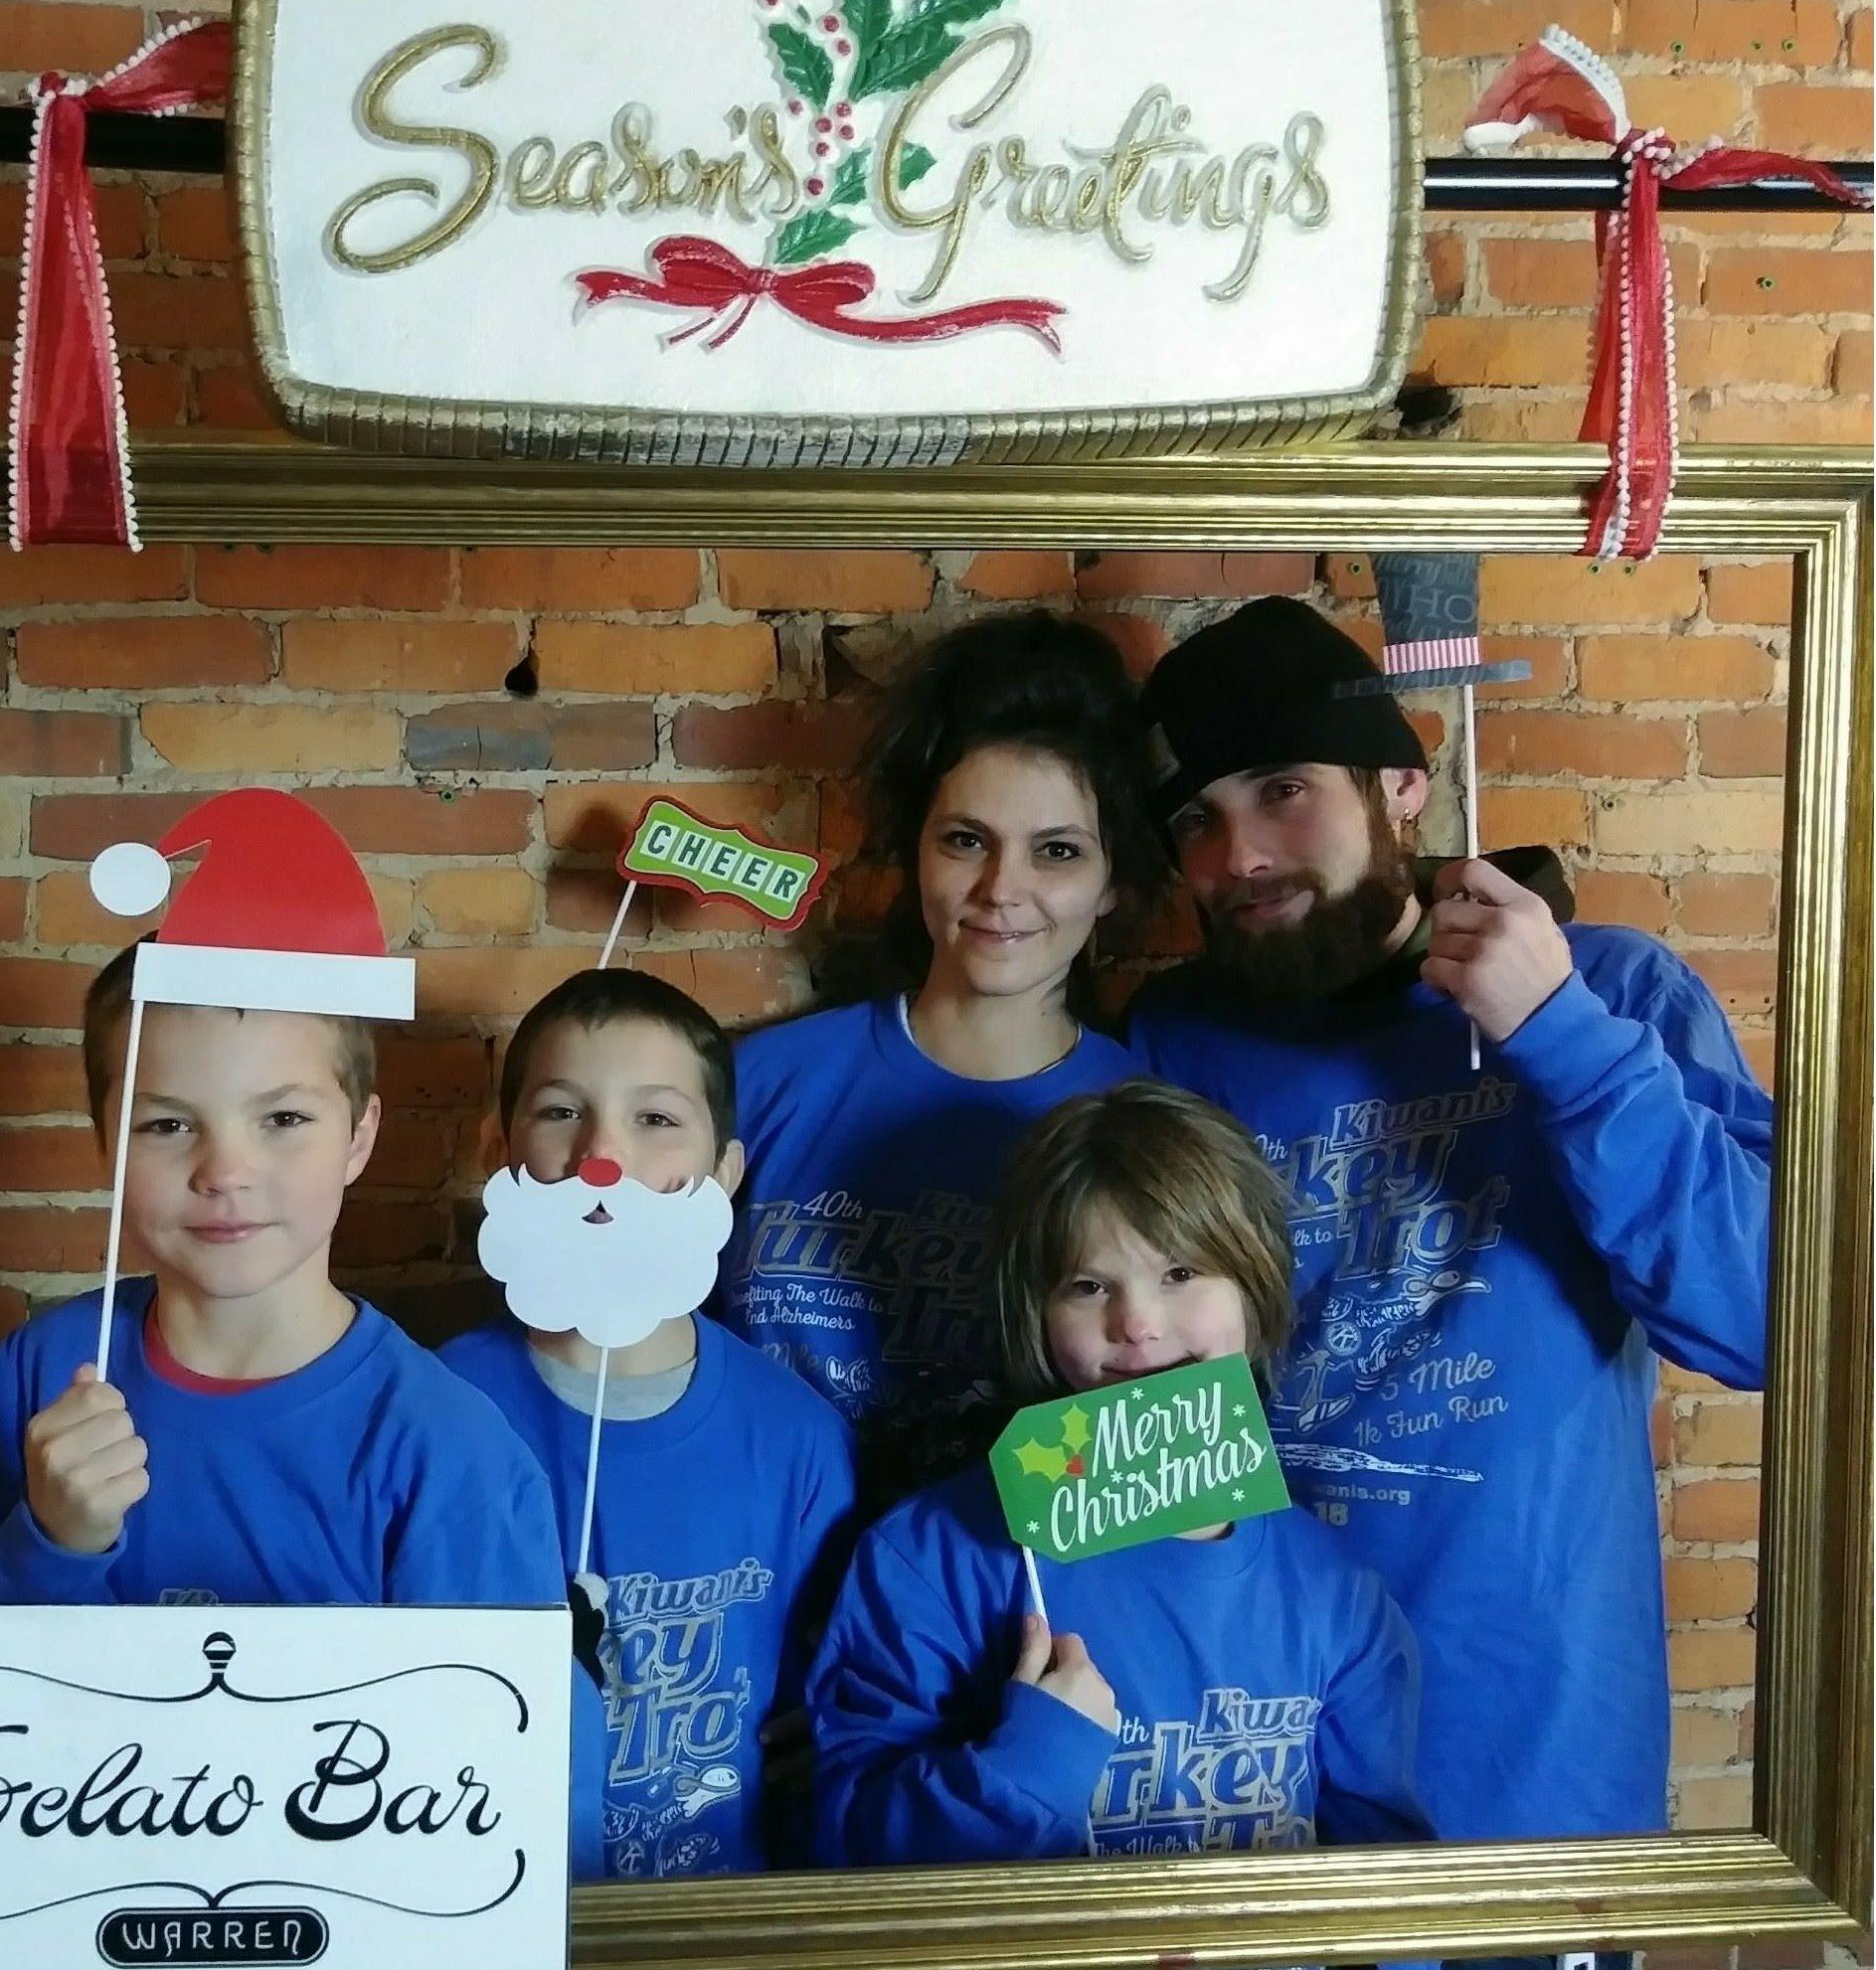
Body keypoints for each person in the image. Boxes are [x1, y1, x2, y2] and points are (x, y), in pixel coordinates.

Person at [1124, 594, 1773, 1845]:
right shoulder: (1172, 1039)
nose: (1239, 855)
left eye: (1282, 791)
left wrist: (1562, 1038)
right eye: (1195, 820)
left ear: (1401, 786)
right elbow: (1137, 1400)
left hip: (1538, 1777)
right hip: (1250, 1760)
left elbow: (1766, 1321)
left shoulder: (1612, 987)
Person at [0, 940, 608, 1872]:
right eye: (166, 1124)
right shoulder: (40, 1372)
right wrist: (46, 1544)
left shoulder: (447, 1449)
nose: (224, 1170)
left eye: (282, 1117)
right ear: (104, 1137)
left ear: (359, 1135)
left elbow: (528, 1786)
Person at [806, 1079, 1431, 1867]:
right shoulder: (929, 1555)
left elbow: (1384, 1875)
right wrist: (1030, 1764)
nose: (1135, 1323)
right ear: (1036, 1314)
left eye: (1181, 1272)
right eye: (1088, 1285)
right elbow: (852, 1852)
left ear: (1255, 1287)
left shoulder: (1334, 1589)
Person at [720, 612, 1167, 1504]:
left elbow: (1153, 1445)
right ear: (915, 851)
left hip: (1000, 1576)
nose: (1001, 889)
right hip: (754, 1562)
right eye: (965, 839)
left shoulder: (1147, 1127)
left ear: (1112, 882)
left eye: (1057, 851)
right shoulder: (759, 1084)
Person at [443, 969, 858, 1881]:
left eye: (656, 1118)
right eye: (561, 1111)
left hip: (717, 1913)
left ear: (724, 1174)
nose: (602, 1156)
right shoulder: (435, 1414)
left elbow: (821, 1708)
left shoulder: (796, 1439)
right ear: (498, 1150)